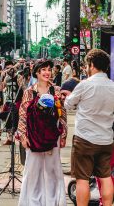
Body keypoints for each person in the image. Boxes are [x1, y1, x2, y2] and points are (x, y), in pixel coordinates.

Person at [64, 49, 114, 206]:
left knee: (82, 179)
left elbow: (68, 105)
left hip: (84, 140)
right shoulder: (112, 86)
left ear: (91, 65)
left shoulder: (84, 85)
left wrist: (67, 97)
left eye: (86, 65)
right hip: (106, 139)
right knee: (105, 177)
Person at [17, 60, 67, 206]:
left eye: (49, 70)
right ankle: (32, 202)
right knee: (33, 170)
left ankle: (53, 201)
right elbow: (23, 115)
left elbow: (62, 115)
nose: (47, 73)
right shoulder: (29, 92)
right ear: (37, 73)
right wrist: (23, 136)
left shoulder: (56, 90)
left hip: (52, 136)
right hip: (34, 136)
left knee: (53, 170)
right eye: (43, 70)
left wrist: (63, 135)